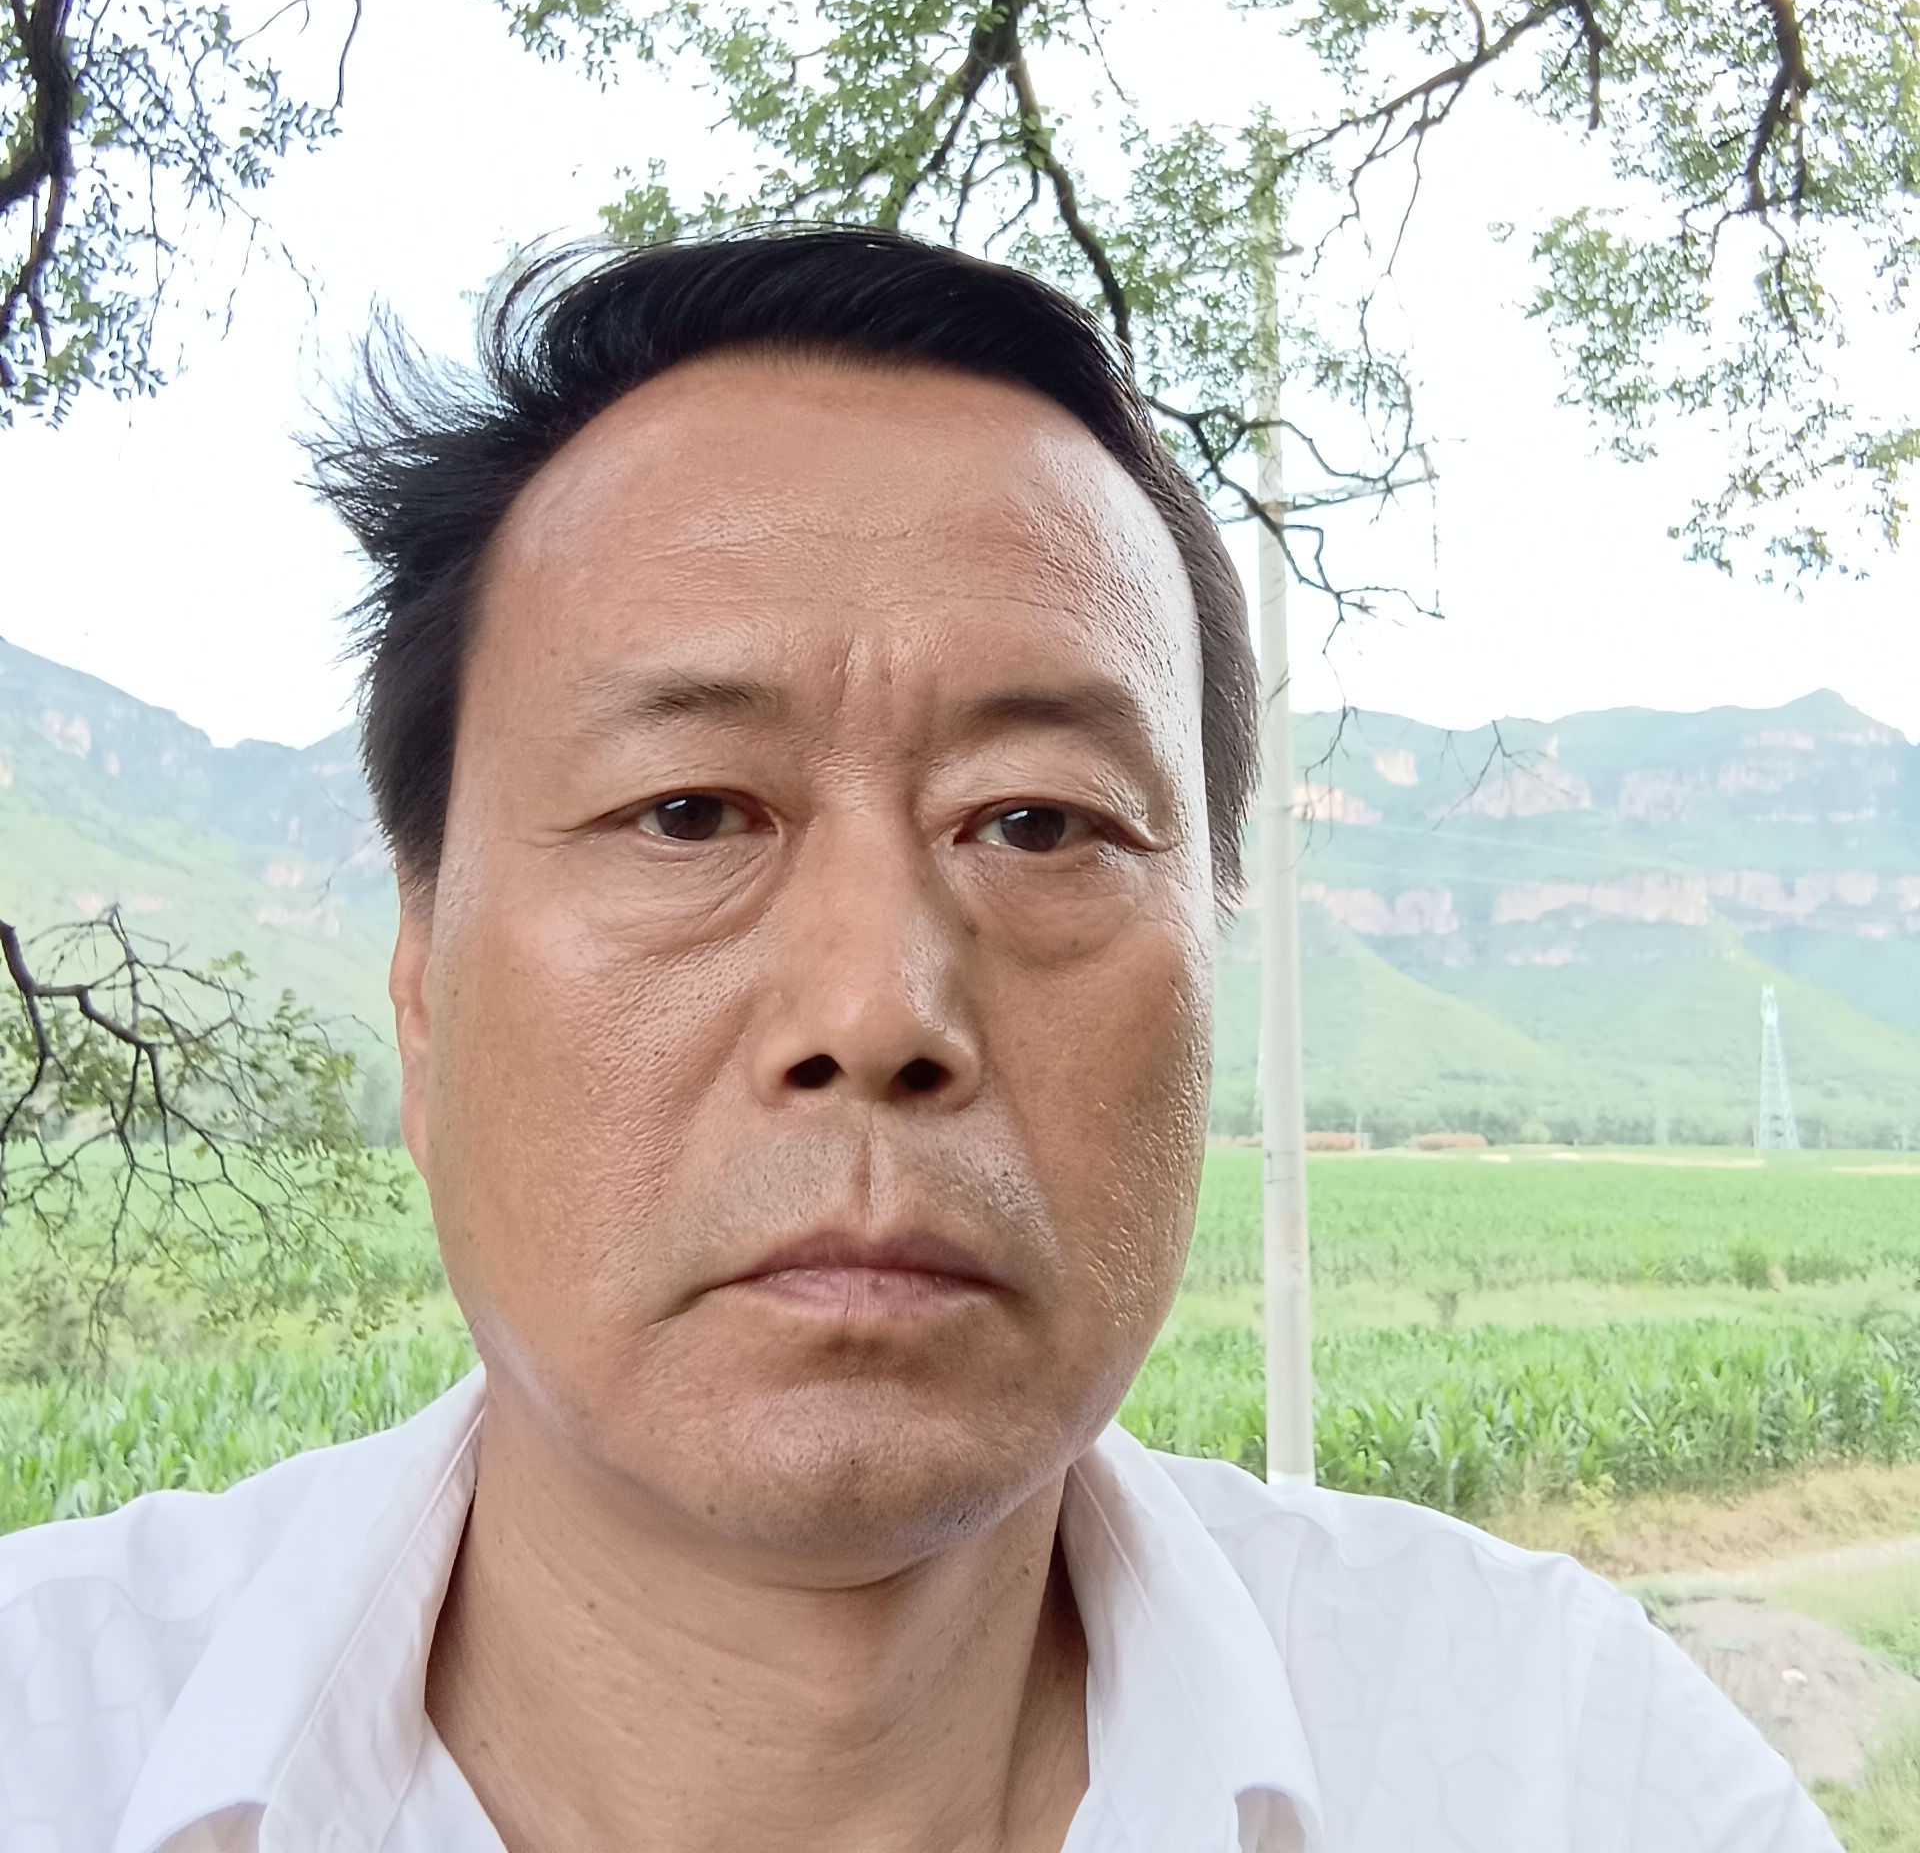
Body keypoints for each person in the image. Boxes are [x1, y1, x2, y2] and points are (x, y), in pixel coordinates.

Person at [0, 229, 1837, 1853]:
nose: (876, 1013)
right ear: (422, 987)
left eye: (1038, 823)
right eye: (688, 813)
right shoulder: (49, 1742)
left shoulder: (1570, 1771)